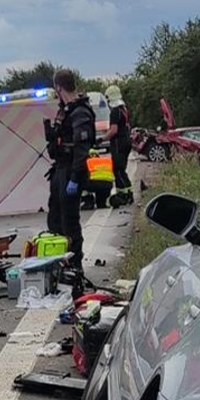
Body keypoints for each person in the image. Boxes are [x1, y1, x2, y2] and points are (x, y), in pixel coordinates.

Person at [46, 68, 94, 266]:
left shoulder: (80, 111)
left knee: (70, 223)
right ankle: (58, 264)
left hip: (71, 171)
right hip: (60, 169)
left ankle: (75, 267)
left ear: (58, 87)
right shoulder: (65, 110)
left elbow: (82, 149)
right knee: (55, 219)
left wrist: (75, 178)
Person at [105, 84, 133, 205]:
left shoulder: (115, 112)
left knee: (118, 170)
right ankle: (128, 193)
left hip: (118, 144)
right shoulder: (124, 109)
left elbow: (113, 130)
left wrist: (102, 139)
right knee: (122, 169)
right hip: (126, 142)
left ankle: (124, 194)